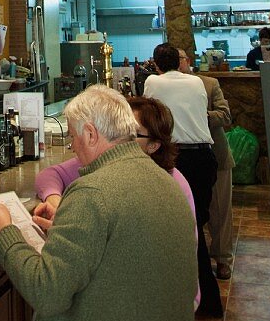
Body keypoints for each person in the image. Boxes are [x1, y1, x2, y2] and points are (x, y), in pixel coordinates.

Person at [0, 85, 198, 321]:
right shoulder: (166, 181)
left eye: (73, 137)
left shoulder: (92, 192)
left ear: (91, 134)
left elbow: (46, 292)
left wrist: (4, 231)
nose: (72, 147)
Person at [33, 95, 197, 231]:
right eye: (120, 129)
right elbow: (50, 175)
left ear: (153, 146)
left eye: (131, 134)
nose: (121, 138)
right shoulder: (103, 166)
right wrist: (54, 199)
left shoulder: (173, 184)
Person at [144, 43, 223, 318]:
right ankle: (206, 298)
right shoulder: (197, 83)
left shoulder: (152, 81)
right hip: (204, 158)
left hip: (177, 159)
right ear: (179, 62)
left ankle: (201, 299)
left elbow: (148, 118)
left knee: (186, 230)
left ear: (155, 63)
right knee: (196, 226)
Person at [179, 49, 235, 280]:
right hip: (183, 160)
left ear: (188, 62)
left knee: (220, 210)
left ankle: (222, 259)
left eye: (179, 59)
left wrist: (200, 115)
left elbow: (225, 115)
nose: (176, 64)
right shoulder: (163, 87)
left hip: (215, 155)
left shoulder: (209, 84)